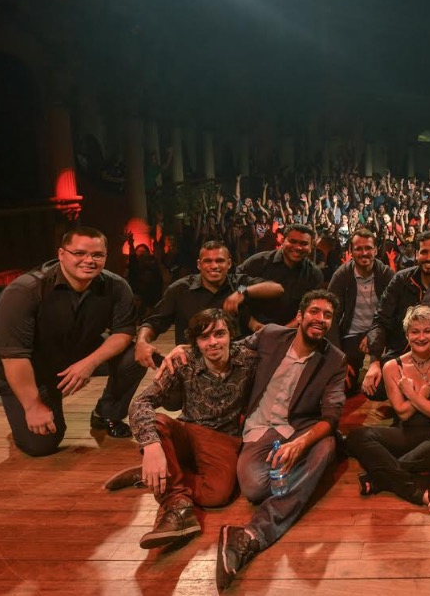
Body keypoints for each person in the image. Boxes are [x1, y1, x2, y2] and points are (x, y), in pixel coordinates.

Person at [177, 289, 346, 590]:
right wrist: (186, 351)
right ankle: (300, 480)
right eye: (315, 312)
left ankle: (250, 535)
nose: (320, 319)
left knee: (327, 444)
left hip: (294, 430)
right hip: (256, 429)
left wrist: (299, 444)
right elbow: (227, 349)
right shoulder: (270, 336)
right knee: (255, 489)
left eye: (328, 315)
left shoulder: (334, 360)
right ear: (300, 316)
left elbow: (331, 417)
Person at [106, 309, 258, 549]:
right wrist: (151, 446)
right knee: (158, 423)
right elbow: (141, 403)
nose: (213, 342)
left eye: (220, 334)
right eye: (204, 337)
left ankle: (157, 474)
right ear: (195, 342)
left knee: (216, 496)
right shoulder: (183, 361)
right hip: (188, 430)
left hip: (223, 437)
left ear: (231, 334)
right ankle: (177, 506)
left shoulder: (249, 359)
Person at [0, 226, 145, 455]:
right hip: (31, 370)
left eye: (97, 255)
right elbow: (14, 357)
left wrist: (89, 364)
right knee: (41, 445)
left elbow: (123, 332)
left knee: (136, 356)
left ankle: (106, 414)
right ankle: (34, 405)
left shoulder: (116, 286)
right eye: (79, 253)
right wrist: (33, 406)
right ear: (61, 254)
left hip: (76, 354)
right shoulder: (24, 291)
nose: (89, 261)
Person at [346, 306, 430, 514]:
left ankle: (380, 477)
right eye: (415, 331)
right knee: (357, 436)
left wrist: (414, 393)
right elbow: (403, 413)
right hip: (403, 433)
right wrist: (427, 388)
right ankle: (415, 490)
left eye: (427, 331)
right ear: (407, 335)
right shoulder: (392, 366)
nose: (421, 337)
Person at [132, 241, 283, 369]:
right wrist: (141, 342)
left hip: (236, 364)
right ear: (199, 264)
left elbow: (277, 288)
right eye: (208, 261)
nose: (214, 266)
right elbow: (154, 322)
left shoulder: (239, 284)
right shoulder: (180, 289)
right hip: (192, 363)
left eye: (220, 261)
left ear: (229, 263)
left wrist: (241, 292)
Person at [364, 230, 430, 406]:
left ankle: (412, 394)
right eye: (424, 252)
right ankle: (423, 395)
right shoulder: (400, 280)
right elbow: (380, 321)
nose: (428, 257)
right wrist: (375, 361)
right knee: (373, 388)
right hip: (403, 352)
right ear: (417, 254)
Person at [326, 228, 394, 393]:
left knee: (382, 389)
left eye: (368, 248)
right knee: (344, 386)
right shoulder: (342, 275)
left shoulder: (386, 274)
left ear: (375, 250)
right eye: (358, 248)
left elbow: (395, 312)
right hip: (352, 333)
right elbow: (330, 316)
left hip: (381, 332)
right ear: (351, 251)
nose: (364, 253)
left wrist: (373, 334)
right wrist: (337, 358)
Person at [237, 223, 324, 328]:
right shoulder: (258, 261)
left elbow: (308, 309)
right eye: (292, 241)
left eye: (304, 244)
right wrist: (242, 292)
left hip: (290, 333)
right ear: (283, 241)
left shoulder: (314, 275)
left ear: (311, 246)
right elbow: (236, 284)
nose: (298, 247)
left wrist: (283, 332)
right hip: (249, 329)